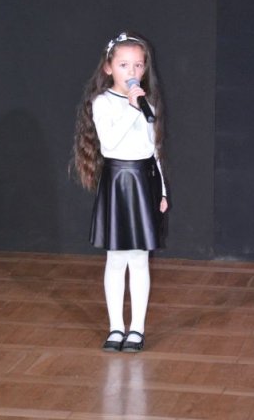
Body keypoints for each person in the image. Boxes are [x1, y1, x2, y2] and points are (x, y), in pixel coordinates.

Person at [73, 31, 168, 352]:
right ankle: (116, 327)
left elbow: (154, 149)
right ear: (108, 67)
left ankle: (136, 329)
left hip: (143, 181)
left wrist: (162, 190)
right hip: (117, 180)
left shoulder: (148, 102)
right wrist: (131, 107)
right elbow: (110, 144)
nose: (132, 71)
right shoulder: (102, 102)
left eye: (138, 65)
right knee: (116, 258)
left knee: (139, 259)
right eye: (124, 65)